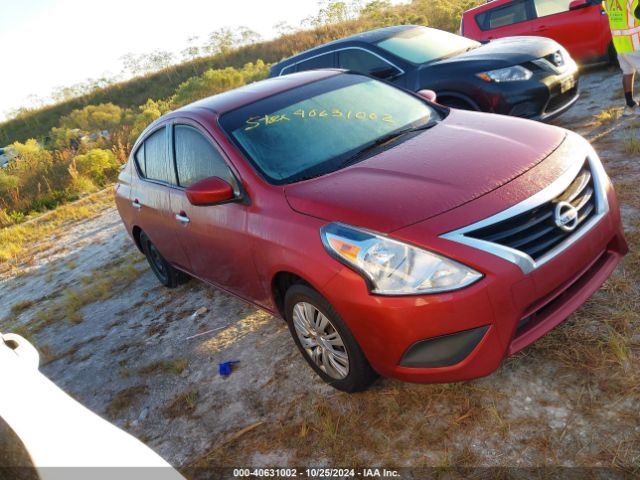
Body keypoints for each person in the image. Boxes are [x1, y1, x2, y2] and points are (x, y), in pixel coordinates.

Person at [606, 0, 640, 115]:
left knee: (628, 73)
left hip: (620, 45)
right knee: (629, 73)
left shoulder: (607, 1)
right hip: (634, 44)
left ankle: (630, 106)